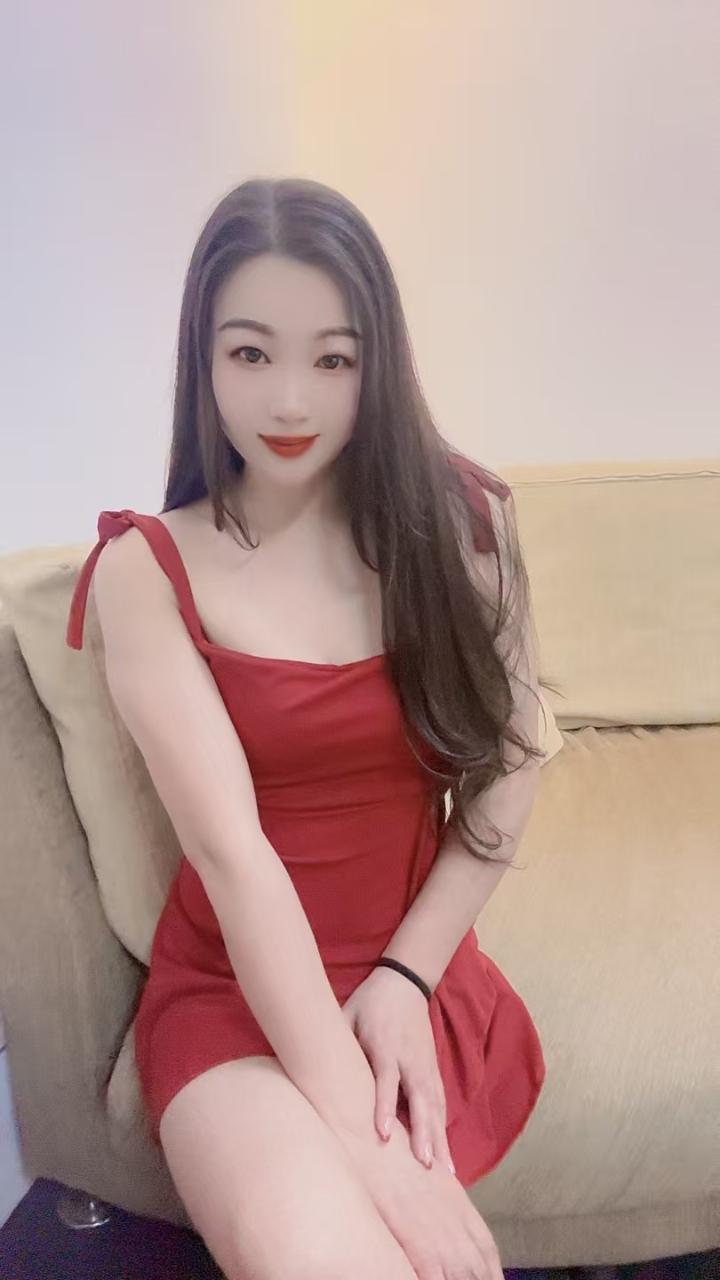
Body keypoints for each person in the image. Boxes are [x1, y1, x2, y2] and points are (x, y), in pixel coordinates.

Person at [66, 177, 551, 1280]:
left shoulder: (466, 522)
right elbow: (233, 858)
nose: (290, 400)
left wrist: (407, 978)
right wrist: (371, 1150)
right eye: (250, 353)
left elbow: (512, 767)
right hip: (237, 997)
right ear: (202, 357)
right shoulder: (149, 568)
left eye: (334, 359)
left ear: (380, 363)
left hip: (410, 973)